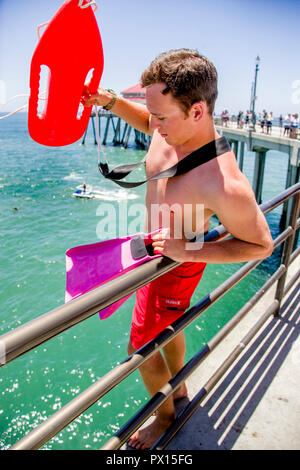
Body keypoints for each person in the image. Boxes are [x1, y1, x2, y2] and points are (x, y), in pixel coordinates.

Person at [82, 49, 273, 449]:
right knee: (172, 329)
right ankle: (180, 387)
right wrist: (111, 101)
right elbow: (147, 120)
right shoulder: (170, 124)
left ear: (198, 111)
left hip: (174, 265)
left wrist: (188, 252)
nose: (155, 125)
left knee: (140, 347)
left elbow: (260, 244)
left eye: (162, 117)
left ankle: (164, 418)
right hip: (159, 252)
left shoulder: (223, 184)